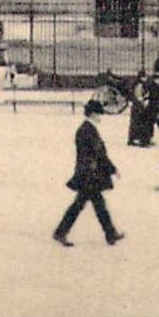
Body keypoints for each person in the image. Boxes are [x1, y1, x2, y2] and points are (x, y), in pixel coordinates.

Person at [54, 99, 123, 247]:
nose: (100, 117)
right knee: (88, 205)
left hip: (88, 174)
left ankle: (110, 234)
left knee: (93, 205)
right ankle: (61, 232)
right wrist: (112, 169)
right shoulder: (87, 130)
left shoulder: (86, 128)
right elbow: (98, 153)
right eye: (99, 114)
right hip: (89, 175)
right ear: (92, 114)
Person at [127, 71, 156, 147]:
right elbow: (139, 96)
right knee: (140, 122)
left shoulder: (139, 84)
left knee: (136, 122)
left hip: (136, 106)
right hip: (138, 106)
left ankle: (134, 139)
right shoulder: (140, 85)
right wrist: (143, 103)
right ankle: (139, 139)